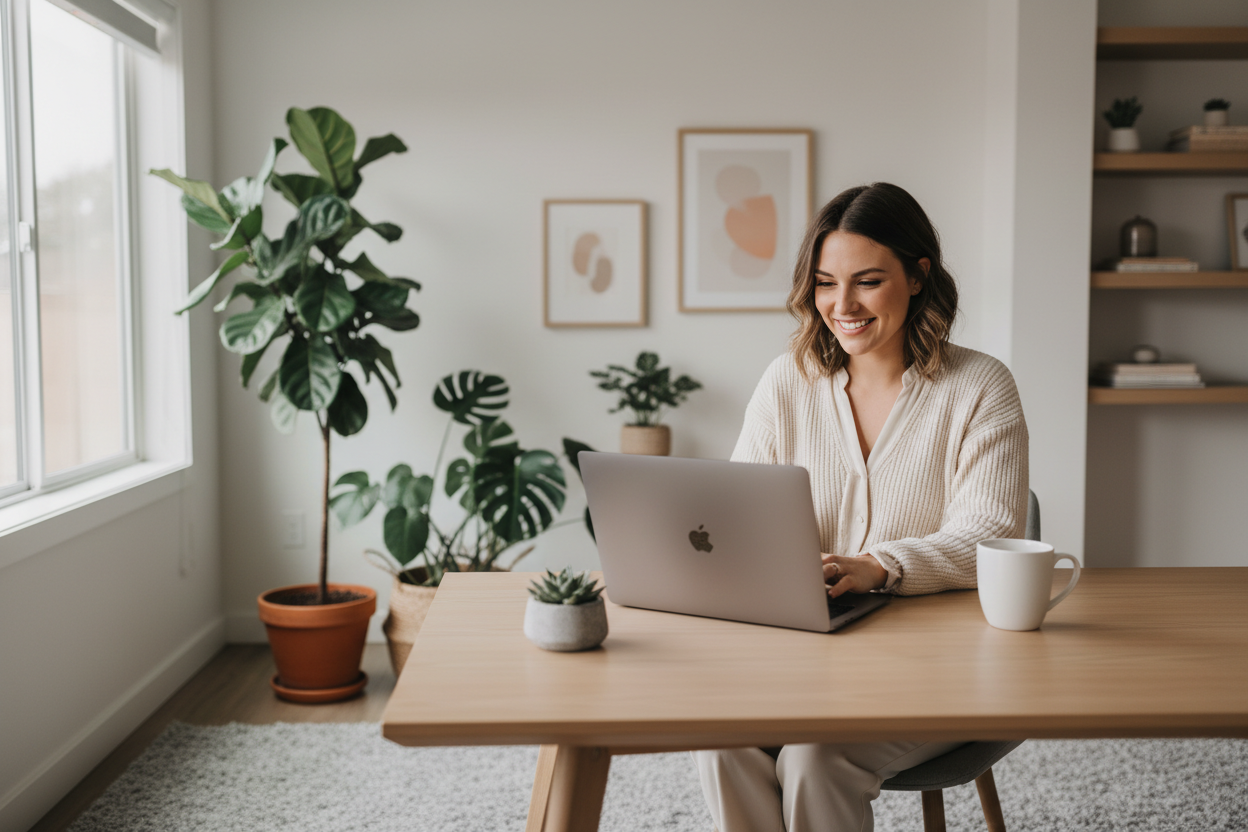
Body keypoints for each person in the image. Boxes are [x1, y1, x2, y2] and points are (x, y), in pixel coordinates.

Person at [692, 182, 1029, 832]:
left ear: (917, 276)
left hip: (938, 666)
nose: (841, 306)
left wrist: (880, 566)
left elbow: (991, 535)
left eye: (867, 282)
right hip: (803, 661)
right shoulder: (787, 382)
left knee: (817, 758)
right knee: (721, 738)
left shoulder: (980, 386)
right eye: (825, 283)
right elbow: (738, 514)